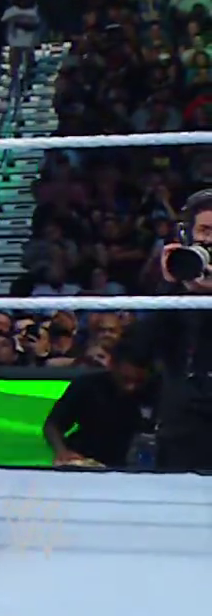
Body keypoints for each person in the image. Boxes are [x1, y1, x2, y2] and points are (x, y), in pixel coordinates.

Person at [118, 187, 212, 473]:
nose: (211, 241)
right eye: (205, 231)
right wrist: (172, 288)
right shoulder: (175, 295)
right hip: (183, 426)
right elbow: (137, 352)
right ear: (187, 236)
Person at [42, 347, 156, 469]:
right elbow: (53, 425)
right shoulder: (87, 386)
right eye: (125, 379)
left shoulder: (156, 391)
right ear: (112, 365)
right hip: (88, 461)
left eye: (139, 381)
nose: (131, 387)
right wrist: (62, 452)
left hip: (135, 465)